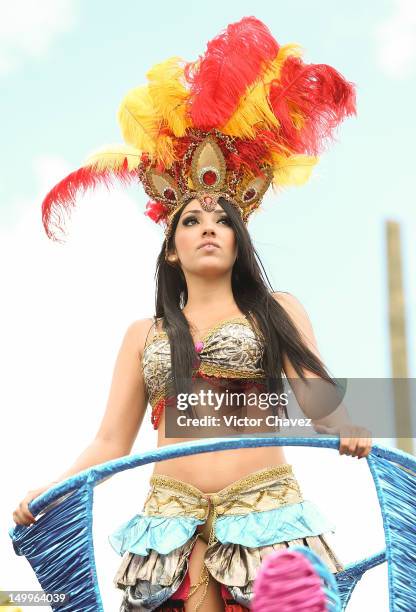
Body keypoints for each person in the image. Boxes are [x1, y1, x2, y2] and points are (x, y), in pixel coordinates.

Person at [13, 16, 372, 612]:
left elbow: (316, 397)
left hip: (269, 519)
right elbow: (110, 440)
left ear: (239, 240)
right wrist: (52, 489)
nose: (209, 229)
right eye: (192, 221)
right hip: (166, 531)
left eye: (222, 221)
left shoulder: (277, 311)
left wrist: (349, 428)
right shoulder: (141, 335)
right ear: (171, 249)